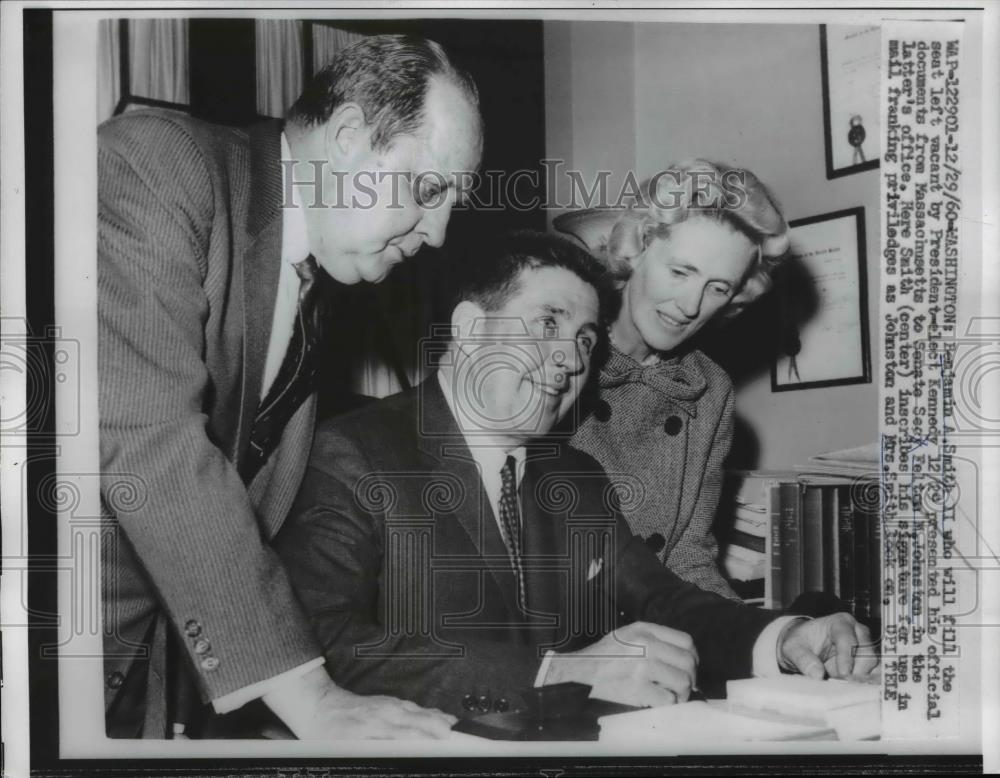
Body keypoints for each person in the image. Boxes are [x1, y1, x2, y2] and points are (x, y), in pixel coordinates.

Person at [274, 231, 876, 717]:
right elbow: (318, 639)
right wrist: (553, 672)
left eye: (586, 341)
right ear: (468, 328)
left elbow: (663, 600)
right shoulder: (351, 452)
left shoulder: (576, 476)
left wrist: (785, 638)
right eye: (546, 324)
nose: (569, 360)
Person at [98, 34, 482, 739]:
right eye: (429, 190)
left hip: (148, 685)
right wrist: (313, 701)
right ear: (345, 138)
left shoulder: (313, 276)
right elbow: (149, 440)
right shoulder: (158, 163)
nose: (437, 234)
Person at [553, 160, 790, 599]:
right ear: (637, 249)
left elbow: (688, 559)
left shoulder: (709, 390)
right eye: (681, 272)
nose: (689, 305)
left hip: (656, 623)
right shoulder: (558, 355)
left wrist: (767, 639)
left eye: (718, 288)